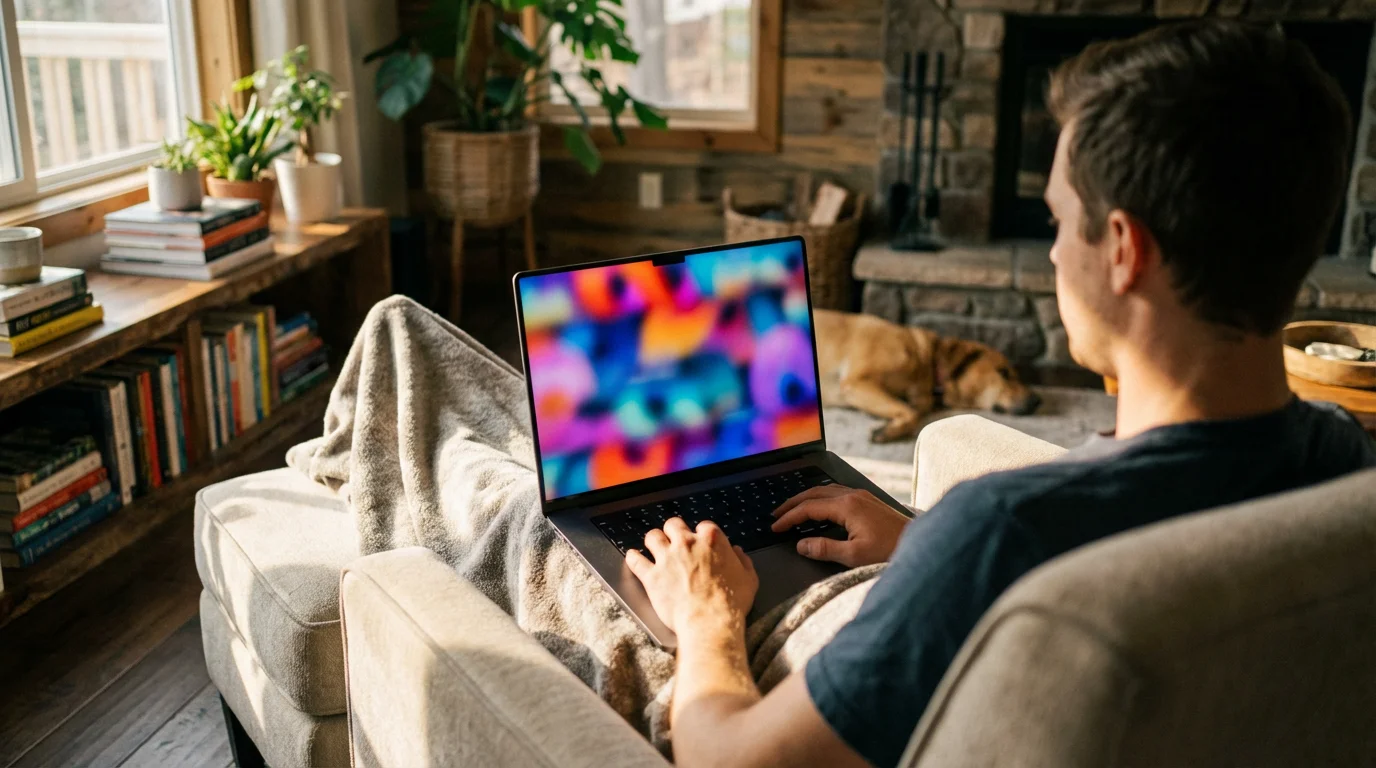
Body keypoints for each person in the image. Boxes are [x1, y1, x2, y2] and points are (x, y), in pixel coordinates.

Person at [624, 19, 1376, 768]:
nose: (1051, 249)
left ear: (1122, 250)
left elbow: (731, 762)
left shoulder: (999, 530)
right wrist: (918, 540)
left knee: (517, 505)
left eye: (1058, 221)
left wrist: (705, 619)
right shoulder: (1346, 456)